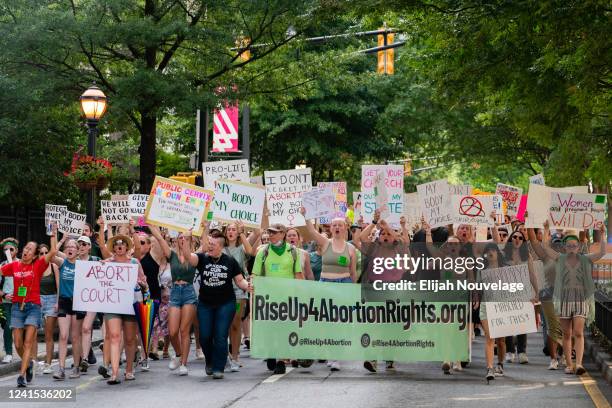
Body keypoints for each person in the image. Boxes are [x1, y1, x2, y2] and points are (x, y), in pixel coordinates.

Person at [183, 229, 251, 379]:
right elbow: (188, 256)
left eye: (213, 244)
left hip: (225, 303)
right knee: (205, 336)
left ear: (220, 246)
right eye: (209, 243)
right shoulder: (202, 258)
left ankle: (218, 367)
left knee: (220, 335)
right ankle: (210, 361)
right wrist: (187, 239)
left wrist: (248, 286)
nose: (210, 246)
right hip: (206, 304)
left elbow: (239, 280)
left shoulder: (230, 260)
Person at [542, 222, 606, 375]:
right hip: (564, 299)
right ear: (565, 247)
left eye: (574, 245)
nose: (572, 248)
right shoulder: (560, 258)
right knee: (566, 333)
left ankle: (579, 364)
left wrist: (602, 234)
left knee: (578, 332)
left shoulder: (585, 259)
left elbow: (602, 252)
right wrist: (545, 230)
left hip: (580, 299)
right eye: (569, 246)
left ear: (578, 247)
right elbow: (545, 248)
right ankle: (569, 365)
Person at [1, 225, 58, 387]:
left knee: (27, 342)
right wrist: (3, 294)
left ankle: (21, 375)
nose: (27, 250)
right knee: (17, 343)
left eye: (30, 249)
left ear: (34, 255)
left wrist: (53, 235)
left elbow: (53, 253)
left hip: (33, 307)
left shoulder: (38, 265)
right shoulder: (14, 265)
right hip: (17, 307)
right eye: (26, 247)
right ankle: (29, 363)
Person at [302, 208, 356, 371]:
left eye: (340, 225)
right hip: (326, 285)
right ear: (330, 228)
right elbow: (311, 230)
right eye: (334, 225)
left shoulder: (351, 248)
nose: (337, 227)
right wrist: (306, 215)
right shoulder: (325, 243)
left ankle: (336, 356)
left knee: (339, 323)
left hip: (344, 285)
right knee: (327, 322)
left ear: (345, 227)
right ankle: (330, 351)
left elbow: (353, 272)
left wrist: (352, 291)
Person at [96, 232, 148, 385]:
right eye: (117, 244)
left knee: (130, 339)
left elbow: (144, 282)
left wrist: (142, 284)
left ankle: (129, 370)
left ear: (127, 247)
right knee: (114, 336)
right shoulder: (106, 263)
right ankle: (114, 373)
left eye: (122, 244)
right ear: (113, 247)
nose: (119, 246)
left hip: (130, 304)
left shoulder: (134, 263)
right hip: (112, 305)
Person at [251, 223, 303, 374]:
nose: (271, 235)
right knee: (271, 329)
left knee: (284, 329)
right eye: (269, 232)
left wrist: (301, 295)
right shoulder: (264, 251)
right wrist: (253, 285)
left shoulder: (292, 251)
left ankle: (281, 360)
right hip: (268, 299)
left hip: (287, 298)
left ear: (283, 233)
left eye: (274, 232)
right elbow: (255, 274)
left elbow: (298, 274)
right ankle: (272, 352)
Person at [148, 225, 198, 376]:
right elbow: (159, 238)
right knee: (173, 331)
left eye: (185, 238)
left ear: (190, 240)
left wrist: (205, 227)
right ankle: (178, 354)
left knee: (184, 331)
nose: (181, 240)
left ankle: (184, 363)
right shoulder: (172, 254)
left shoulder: (194, 256)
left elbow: (204, 246)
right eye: (180, 237)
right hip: (175, 293)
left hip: (189, 292)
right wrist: (150, 224)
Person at [221, 221, 259, 372]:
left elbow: (251, 251)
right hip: (222, 289)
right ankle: (226, 354)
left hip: (239, 289)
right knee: (224, 324)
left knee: (236, 322)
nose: (231, 232)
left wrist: (242, 232)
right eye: (229, 229)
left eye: (234, 230)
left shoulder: (242, 247)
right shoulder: (220, 247)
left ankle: (236, 356)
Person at [53, 239, 86, 380]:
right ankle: (61, 369)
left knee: (75, 336)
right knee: (63, 335)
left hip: (78, 302)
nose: (70, 249)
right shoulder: (62, 263)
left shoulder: (83, 265)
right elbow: (52, 253)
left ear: (78, 250)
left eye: (73, 247)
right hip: (64, 301)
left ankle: (76, 367)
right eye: (68, 247)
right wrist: (59, 238)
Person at [477, 243, 509, 383]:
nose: (490, 252)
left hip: (501, 306)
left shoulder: (505, 269)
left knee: (501, 340)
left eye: (493, 250)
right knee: (490, 337)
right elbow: (478, 288)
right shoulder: (481, 270)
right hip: (486, 306)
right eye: (488, 250)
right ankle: (490, 368)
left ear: (497, 253)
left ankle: (500, 364)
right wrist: (476, 300)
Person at [76, 235, 100, 369]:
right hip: (76, 300)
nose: (81, 246)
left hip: (92, 299)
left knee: (86, 328)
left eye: (84, 244)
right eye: (79, 244)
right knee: (77, 332)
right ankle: (81, 356)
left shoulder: (96, 260)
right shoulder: (73, 261)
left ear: (89, 247)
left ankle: (84, 358)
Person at [37, 244, 58, 375]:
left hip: (51, 300)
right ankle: (32, 361)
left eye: (46, 252)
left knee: (48, 334)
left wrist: (57, 302)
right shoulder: (35, 268)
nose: (44, 255)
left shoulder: (53, 266)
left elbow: (58, 285)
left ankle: (48, 363)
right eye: (41, 253)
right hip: (37, 300)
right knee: (32, 333)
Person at [0, 237, 18, 364]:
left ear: (16, 250)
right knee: (7, 326)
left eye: (11, 249)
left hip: (20, 302)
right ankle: (8, 352)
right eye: (5, 249)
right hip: (6, 302)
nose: (8, 251)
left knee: (19, 328)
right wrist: (4, 295)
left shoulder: (22, 263)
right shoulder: (1, 266)